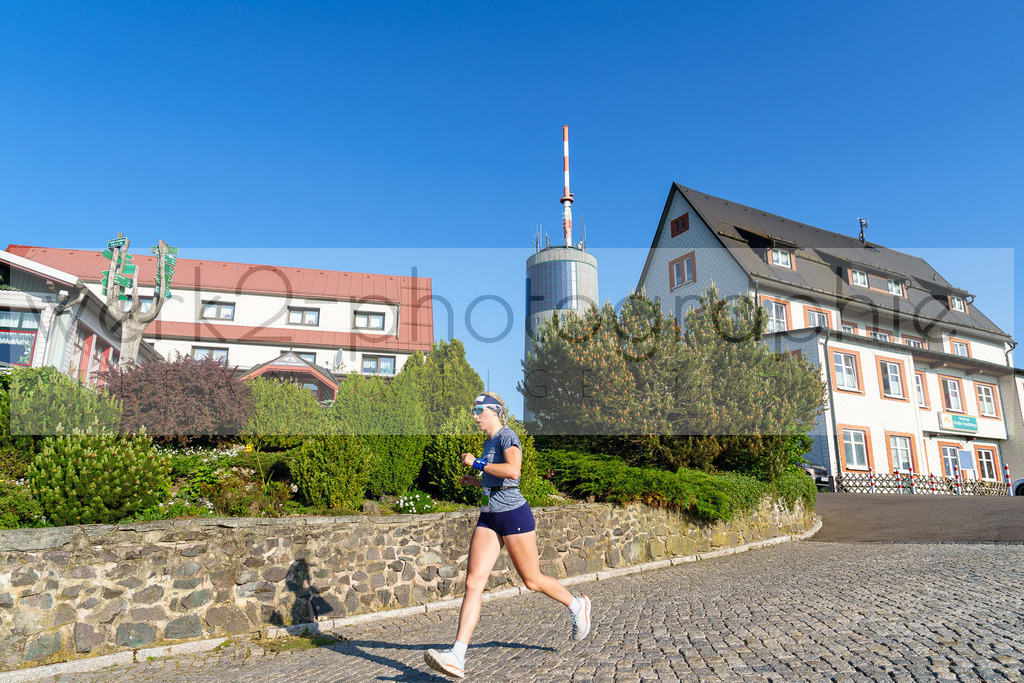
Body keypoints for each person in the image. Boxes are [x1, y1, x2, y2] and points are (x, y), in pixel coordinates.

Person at [424, 392, 592, 679]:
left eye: (479, 410)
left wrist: (476, 463)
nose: (475, 416)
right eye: (473, 411)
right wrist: (476, 480)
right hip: (489, 515)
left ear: (494, 411)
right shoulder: (489, 442)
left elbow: (513, 471)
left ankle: (578, 605)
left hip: (514, 515)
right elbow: (496, 476)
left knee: (532, 580)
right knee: (474, 582)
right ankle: (457, 655)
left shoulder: (506, 436)